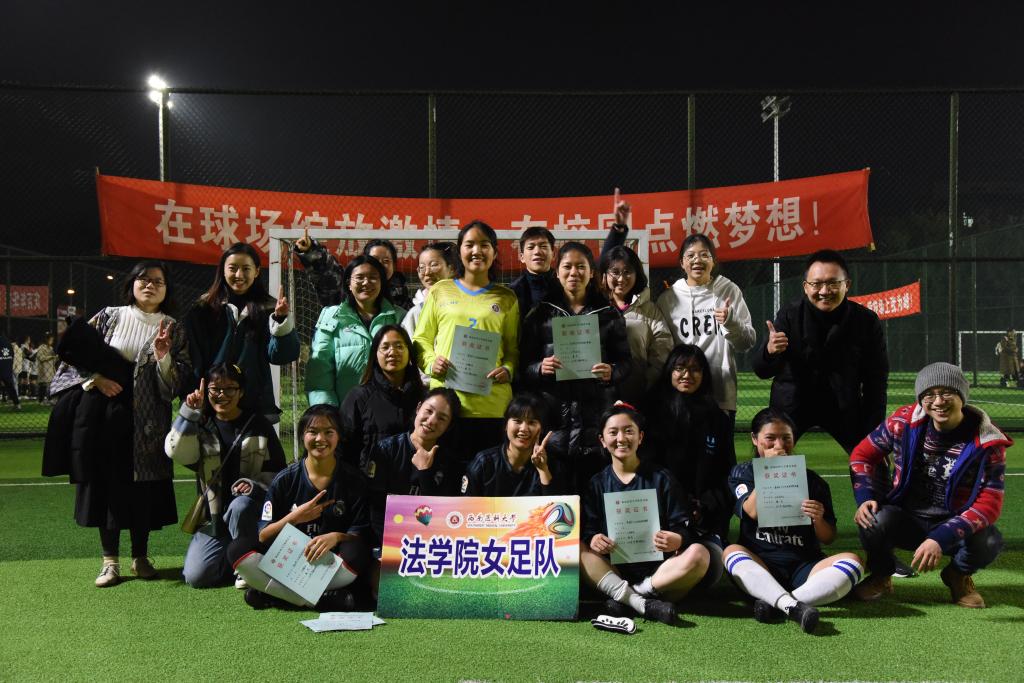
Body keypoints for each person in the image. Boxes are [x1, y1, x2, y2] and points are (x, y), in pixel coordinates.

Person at [43, 261, 190, 587]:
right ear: (131, 285)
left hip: (149, 421)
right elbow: (71, 354)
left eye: (158, 281)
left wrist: (163, 356)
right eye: (143, 279)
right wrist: (95, 379)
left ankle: (140, 557)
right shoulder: (108, 317)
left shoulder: (174, 329)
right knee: (105, 483)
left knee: (143, 487)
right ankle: (110, 562)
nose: (150, 285)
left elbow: (176, 383)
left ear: (167, 289)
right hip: (104, 416)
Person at [851, 362, 1009, 608]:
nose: (938, 401)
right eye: (929, 395)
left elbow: (989, 505)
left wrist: (940, 538)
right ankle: (882, 575)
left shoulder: (988, 441)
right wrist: (866, 496)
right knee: (871, 519)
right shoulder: (901, 422)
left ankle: (957, 575)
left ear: (962, 396)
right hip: (907, 516)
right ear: (920, 399)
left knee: (989, 541)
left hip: (953, 521)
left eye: (947, 393)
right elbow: (862, 456)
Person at [724, 408, 863, 634]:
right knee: (731, 551)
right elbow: (751, 512)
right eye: (770, 438)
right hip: (761, 563)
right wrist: (769, 470)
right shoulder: (743, 473)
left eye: (786, 438)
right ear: (755, 439)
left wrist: (818, 519)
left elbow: (828, 538)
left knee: (853, 562)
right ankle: (792, 605)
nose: (779, 445)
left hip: (804, 565)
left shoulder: (814, 481)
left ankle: (781, 602)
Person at [231, 404, 373, 610]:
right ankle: (318, 600)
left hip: (328, 563)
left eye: (328, 432)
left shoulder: (354, 480)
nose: (320, 439)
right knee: (237, 549)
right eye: (312, 432)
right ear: (302, 436)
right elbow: (264, 536)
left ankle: (276, 596)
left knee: (357, 552)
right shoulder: (285, 479)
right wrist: (295, 517)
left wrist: (336, 537)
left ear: (339, 436)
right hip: (288, 561)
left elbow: (361, 536)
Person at [580, 403, 711, 626]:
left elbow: (684, 527)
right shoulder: (597, 483)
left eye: (628, 431)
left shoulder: (662, 478)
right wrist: (594, 539)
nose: (621, 438)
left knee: (700, 554)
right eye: (613, 432)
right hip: (614, 572)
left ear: (640, 437)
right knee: (576, 550)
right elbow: (589, 530)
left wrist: (677, 539)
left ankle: (630, 598)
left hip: (661, 575)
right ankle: (643, 604)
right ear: (602, 440)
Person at [520, 241, 632, 493]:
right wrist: (539, 368)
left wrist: (612, 372)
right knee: (555, 495)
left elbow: (626, 362)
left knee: (594, 494)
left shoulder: (608, 314)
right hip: (554, 422)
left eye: (581, 267)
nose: (574, 273)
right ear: (557, 271)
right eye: (567, 266)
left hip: (595, 421)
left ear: (592, 272)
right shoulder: (540, 314)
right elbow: (523, 367)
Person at [751, 249, 888, 453]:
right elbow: (761, 370)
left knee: (871, 458)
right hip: (792, 403)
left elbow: (876, 381)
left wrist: (876, 434)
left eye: (833, 283)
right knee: (772, 456)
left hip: (844, 405)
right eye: (816, 284)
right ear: (805, 287)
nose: (824, 291)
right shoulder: (789, 315)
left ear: (847, 284)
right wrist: (770, 351)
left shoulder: (866, 321)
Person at [165, 363, 286, 588]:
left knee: (241, 505)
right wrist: (189, 413)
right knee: (197, 577)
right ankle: (237, 559)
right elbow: (175, 451)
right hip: (215, 517)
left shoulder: (258, 424)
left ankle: (246, 565)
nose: (222, 395)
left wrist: (254, 486)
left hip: (252, 515)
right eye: (215, 389)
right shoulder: (201, 423)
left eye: (230, 388)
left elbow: (279, 473)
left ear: (241, 392)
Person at [412, 221, 520, 468]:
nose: (477, 251)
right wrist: (430, 362)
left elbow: (513, 349)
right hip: (447, 407)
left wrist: (508, 369)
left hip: (492, 406)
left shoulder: (506, 297)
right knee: (446, 479)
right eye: (469, 244)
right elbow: (421, 339)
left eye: (484, 245)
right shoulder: (440, 290)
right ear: (459, 250)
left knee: (488, 480)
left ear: (494, 252)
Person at [644, 344, 736, 583]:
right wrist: (676, 509)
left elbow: (727, 476)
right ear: (669, 371)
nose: (687, 375)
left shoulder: (718, 419)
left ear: (704, 375)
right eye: (680, 368)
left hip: (702, 520)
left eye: (695, 369)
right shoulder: (650, 415)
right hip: (661, 518)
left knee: (708, 572)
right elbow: (644, 472)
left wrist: (704, 507)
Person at [182, 242, 297, 423]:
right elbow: (194, 358)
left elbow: (281, 356)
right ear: (222, 270)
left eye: (246, 269)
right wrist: (197, 395)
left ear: (257, 271)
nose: (239, 275)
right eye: (233, 268)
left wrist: (281, 320)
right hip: (213, 402)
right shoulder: (203, 309)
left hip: (254, 403)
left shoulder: (269, 308)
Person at [656, 233, 755, 422]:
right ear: (682, 262)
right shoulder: (668, 299)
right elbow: (662, 349)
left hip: (720, 393)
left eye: (704, 255)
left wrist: (731, 322)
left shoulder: (729, 290)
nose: (697, 260)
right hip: (681, 394)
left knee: (720, 441)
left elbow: (747, 342)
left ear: (713, 261)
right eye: (691, 255)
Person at [362, 388, 462, 545]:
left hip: (427, 540)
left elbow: (441, 515)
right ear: (418, 408)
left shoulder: (449, 462)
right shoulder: (386, 450)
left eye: (442, 418)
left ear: (449, 426)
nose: (431, 421)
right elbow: (375, 507)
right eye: (429, 411)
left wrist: (424, 472)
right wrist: (388, 545)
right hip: (387, 537)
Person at [305, 254, 405, 407]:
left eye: (373, 277)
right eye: (359, 277)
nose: (366, 282)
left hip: (390, 410)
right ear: (349, 283)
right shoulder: (331, 316)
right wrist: (327, 413)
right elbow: (319, 373)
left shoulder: (399, 317)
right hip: (343, 412)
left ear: (381, 283)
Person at [338, 325, 425, 469]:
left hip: (415, 479)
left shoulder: (424, 398)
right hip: (370, 480)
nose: (392, 352)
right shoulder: (359, 397)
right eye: (385, 347)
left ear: (409, 352)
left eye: (399, 346)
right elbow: (344, 449)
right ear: (375, 355)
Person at [598, 243, 673, 406]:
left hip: (638, 398)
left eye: (627, 272)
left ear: (636, 274)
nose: (621, 279)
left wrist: (645, 384)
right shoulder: (594, 308)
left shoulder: (649, 310)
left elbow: (662, 352)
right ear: (604, 275)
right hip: (599, 399)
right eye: (615, 272)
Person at [461, 392, 563, 496]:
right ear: (506, 425)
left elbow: (556, 505)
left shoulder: (549, 464)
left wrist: (543, 470)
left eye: (532, 422)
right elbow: (465, 503)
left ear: (541, 429)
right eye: (518, 421)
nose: (524, 429)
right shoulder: (484, 463)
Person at [294, 231, 413, 310]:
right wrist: (311, 250)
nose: (380, 265)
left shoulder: (402, 299)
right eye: (375, 259)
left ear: (394, 266)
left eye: (386, 261)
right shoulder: (350, 289)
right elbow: (329, 273)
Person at [402, 241, 456, 342]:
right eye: (422, 267)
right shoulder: (415, 313)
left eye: (434, 265)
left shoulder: (465, 306)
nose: (427, 272)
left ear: (452, 268)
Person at [509, 226, 558, 321]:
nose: (537, 252)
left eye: (543, 246)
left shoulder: (564, 286)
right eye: (531, 247)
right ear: (522, 257)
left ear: (553, 255)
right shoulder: (513, 291)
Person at [33, 333, 57, 403]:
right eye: (51, 340)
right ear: (46, 339)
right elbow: (41, 358)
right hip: (43, 369)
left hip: (51, 369)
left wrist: (56, 358)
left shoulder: (51, 348)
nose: (52, 341)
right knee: (43, 385)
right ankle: (41, 400)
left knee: (51, 385)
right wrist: (51, 357)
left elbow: (53, 359)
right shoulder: (41, 348)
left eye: (52, 340)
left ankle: (49, 399)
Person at [0, 333, 20, 410]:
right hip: (7, 367)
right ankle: (17, 404)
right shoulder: (7, 342)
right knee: (10, 386)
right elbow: (12, 355)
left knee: (9, 386)